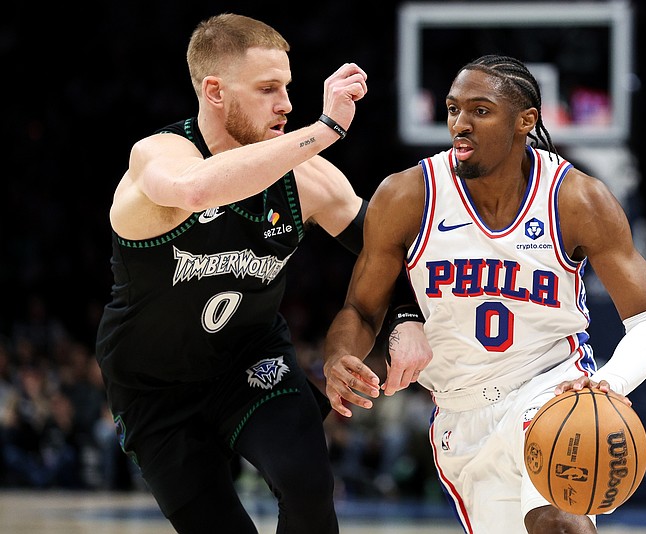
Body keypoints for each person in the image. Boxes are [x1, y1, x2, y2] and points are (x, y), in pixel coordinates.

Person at [94, 13, 427, 534]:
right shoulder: (157, 155)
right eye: (268, 88)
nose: (288, 104)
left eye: (288, 87)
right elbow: (198, 190)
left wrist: (405, 318)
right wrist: (326, 129)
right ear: (215, 91)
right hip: (153, 388)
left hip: (250, 363)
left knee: (308, 483)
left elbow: (386, 252)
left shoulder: (308, 178)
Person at [323, 55, 646, 534]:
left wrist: (608, 382)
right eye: (452, 109)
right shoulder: (408, 194)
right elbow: (361, 308)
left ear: (525, 121)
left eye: (480, 110)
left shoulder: (576, 198)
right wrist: (340, 356)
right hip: (459, 412)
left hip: (551, 387)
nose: (460, 124)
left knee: (558, 520)